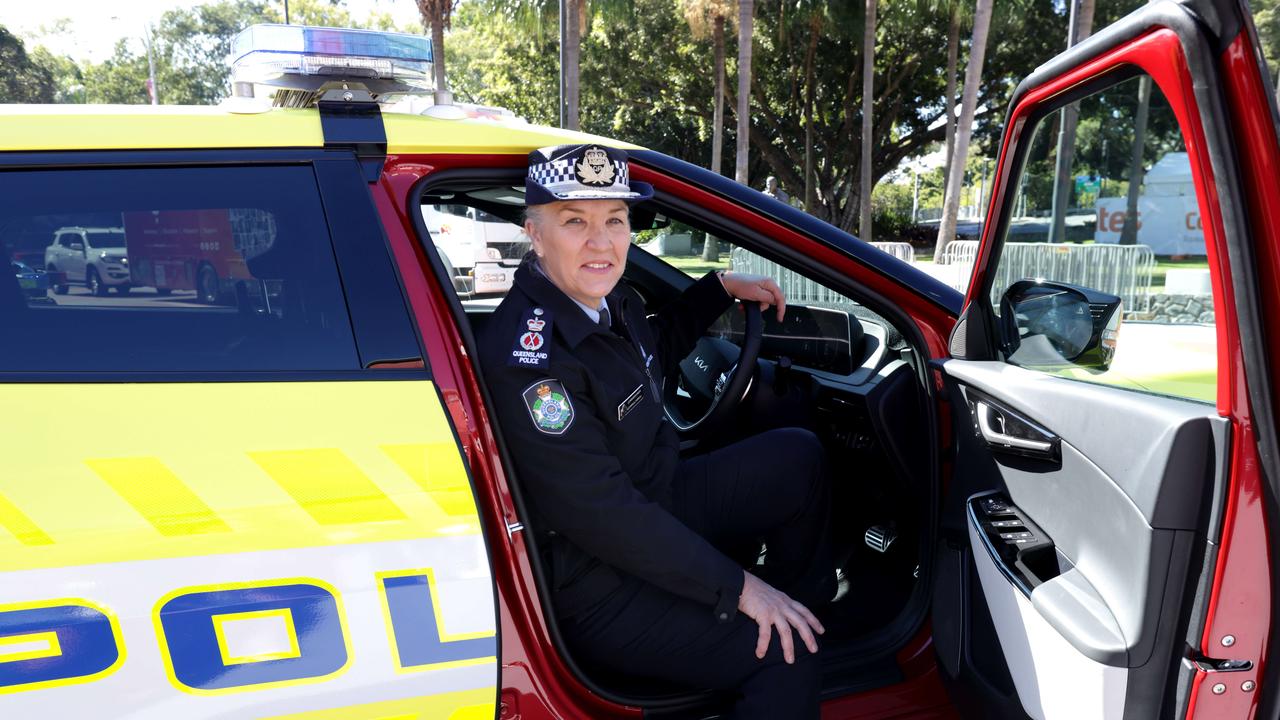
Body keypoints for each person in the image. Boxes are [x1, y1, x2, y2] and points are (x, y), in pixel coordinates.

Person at [480, 143, 833, 718]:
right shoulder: (532, 359)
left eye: (614, 221)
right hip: (599, 581)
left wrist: (716, 290)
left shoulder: (607, 299)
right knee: (786, 656)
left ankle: (807, 610)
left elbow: (651, 351)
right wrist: (742, 589)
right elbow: (604, 514)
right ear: (535, 235)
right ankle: (788, 637)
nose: (601, 241)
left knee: (797, 458)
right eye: (575, 222)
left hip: (656, 502)